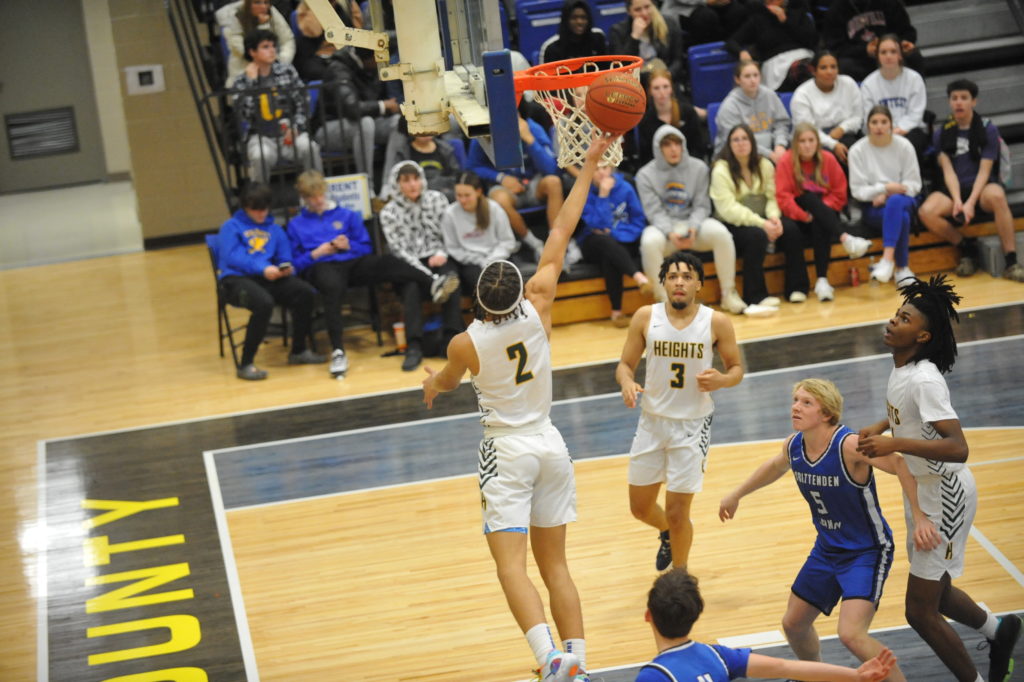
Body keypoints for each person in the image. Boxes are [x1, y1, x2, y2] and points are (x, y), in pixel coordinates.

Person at [421, 134, 617, 682]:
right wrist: (588, 165)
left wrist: (432, 385)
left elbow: (448, 381)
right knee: (557, 566)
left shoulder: (466, 342)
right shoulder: (540, 302)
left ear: (480, 300)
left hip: (506, 452)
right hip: (551, 444)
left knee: (511, 566)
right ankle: (578, 663)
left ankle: (550, 659)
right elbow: (561, 229)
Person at [857, 275, 1023, 682]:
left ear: (923, 336)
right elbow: (908, 415)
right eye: (896, 314)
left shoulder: (925, 379)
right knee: (938, 592)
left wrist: (894, 444)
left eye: (905, 319)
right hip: (923, 489)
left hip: (946, 495)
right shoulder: (904, 369)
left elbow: (958, 447)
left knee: (919, 610)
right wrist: (881, 426)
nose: (893, 321)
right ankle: (999, 631)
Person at [719, 378, 909, 682]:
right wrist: (736, 494)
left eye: (806, 402)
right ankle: (815, 676)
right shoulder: (794, 445)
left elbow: (900, 464)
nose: (796, 407)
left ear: (826, 413)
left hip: (866, 551)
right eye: (795, 400)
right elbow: (775, 466)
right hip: (827, 549)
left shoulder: (848, 445)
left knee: (851, 634)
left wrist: (922, 518)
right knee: (794, 624)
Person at [616, 251, 744, 570]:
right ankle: (667, 534)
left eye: (687, 276)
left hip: (692, 426)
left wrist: (722, 380)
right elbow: (625, 365)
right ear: (663, 283)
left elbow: (737, 369)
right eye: (672, 276)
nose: (679, 282)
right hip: (652, 422)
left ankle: (680, 578)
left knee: (677, 512)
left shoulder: (716, 321)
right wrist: (627, 382)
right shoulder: (646, 317)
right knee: (640, 508)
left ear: (698, 284)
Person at [286, 170, 459, 377]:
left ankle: (432, 282)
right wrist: (317, 253)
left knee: (389, 262)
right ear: (304, 198)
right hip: (321, 266)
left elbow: (366, 247)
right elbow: (295, 265)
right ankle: (338, 351)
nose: (318, 200)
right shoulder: (296, 224)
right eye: (312, 197)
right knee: (332, 287)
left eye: (320, 194)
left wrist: (348, 245)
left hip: (352, 262)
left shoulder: (347, 215)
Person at [635, 568, 898, 682]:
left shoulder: (654, 675)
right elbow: (787, 666)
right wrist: (855, 675)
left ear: (648, 615)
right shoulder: (716, 656)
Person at [636, 126, 761, 317]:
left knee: (721, 234)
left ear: (683, 145)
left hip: (693, 225)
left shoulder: (699, 168)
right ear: (658, 148)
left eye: (677, 143)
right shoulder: (645, 175)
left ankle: (728, 294)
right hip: (665, 229)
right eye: (667, 145)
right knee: (648, 242)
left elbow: (702, 205)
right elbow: (653, 211)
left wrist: (693, 228)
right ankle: (664, 302)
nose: (673, 149)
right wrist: (670, 232)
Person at [216, 182, 326, 380]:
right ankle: (246, 363)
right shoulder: (230, 227)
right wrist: (262, 268)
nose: (261, 214)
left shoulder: (274, 229)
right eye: (255, 210)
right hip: (235, 280)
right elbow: (232, 257)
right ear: (245, 207)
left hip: (266, 278)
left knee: (304, 293)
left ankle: (298, 350)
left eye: (264, 209)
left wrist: (284, 268)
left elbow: (284, 256)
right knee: (263, 303)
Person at [918, 79, 1023, 283]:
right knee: (926, 211)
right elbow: (948, 171)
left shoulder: (987, 129)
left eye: (964, 98)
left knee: (997, 196)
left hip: (981, 189)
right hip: (954, 190)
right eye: (954, 98)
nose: (959, 102)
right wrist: (958, 201)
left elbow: (985, 170)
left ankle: (1011, 261)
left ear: (974, 101)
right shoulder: (942, 133)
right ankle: (966, 247)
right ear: (949, 102)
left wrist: (971, 202)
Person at [711, 123, 810, 307]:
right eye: (735, 140)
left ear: (752, 142)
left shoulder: (764, 164)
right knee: (756, 236)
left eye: (745, 138)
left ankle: (797, 288)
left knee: (791, 229)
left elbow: (773, 196)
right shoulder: (721, 170)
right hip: (733, 223)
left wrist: (773, 218)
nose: (741, 143)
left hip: (764, 218)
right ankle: (756, 296)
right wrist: (762, 224)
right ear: (729, 145)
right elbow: (729, 209)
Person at [379, 161, 464, 371]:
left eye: (415, 178)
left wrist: (442, 253)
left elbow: (450, 233)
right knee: (411, 288)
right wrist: (427, 275)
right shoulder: (388, 212)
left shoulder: (437, 199)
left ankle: (451, 341)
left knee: (452, 280)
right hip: (410, 264)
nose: (412, 184)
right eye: (406, 180)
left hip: (439, 255)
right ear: (397, 184)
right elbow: (398, 251)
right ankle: (414, 346)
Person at [776, 122, 872, 301]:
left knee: (819, 217)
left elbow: (840, 193)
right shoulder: (786, 161)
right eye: (802, 141)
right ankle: (846, 239)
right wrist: (804, 215)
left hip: (824, 215)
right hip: (797, 215)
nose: (807, 145)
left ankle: (822, 281)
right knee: (809, 199)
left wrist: (821, 210)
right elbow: (783, 197)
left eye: (811, 140)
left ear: (817, 142)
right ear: (795, 143)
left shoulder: (828, 159)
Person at [466, 115, 566, 263]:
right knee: (499, 198)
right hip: (504, 187)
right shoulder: (483, 130)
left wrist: (530, 140)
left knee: (553, 182)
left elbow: (551, 169)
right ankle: (533, 243)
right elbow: (473, 166)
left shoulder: (532, 127)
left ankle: (556, 243)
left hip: (532, 183)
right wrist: (501, 178)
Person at [231, 30, 323, 184]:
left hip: (289, 132)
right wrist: (252, 84)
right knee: (260, 156)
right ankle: (260, 197)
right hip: (261, 137)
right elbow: (244, 114)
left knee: (309, 147)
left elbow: (303, 101)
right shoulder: (241, 81)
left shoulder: (287, 71)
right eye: (265, 47)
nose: (272, 50)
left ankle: (317, 192)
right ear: (252, 52)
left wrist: (296, 127)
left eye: (273, 46)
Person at [848, 105, 921, 287]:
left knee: (896, 202)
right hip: (874, 207)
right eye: (874, 122)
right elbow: (857, 191)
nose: (879, 127)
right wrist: (885, 188)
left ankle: (887, 260)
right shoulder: (857, 150)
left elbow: (914, 184)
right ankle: (902, 270)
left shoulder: (904, 146)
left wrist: (887, 195)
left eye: (883, 122)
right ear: (868, 125)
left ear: (891, 124)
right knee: (902, 218)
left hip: (904, 199)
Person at [317, 46, 401, 196]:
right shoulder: (337, 69)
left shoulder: (371, 68)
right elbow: (352, 108)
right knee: (365, 123)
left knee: (398, 122)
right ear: (370, 57)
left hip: (366, 123)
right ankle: (367, 188)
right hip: (329, 128)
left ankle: (388, 186)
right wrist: (383, 105)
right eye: (378, 57)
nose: (382, 61)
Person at [578, 164, 650, 326]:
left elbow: (639, 221)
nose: (601, 172)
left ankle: (616, 311)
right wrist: (603, 195)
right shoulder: (584, 191)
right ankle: (638, 277)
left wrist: (615, 234)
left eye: (604, 167)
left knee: (610, 255)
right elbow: (596, 224)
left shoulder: (625, 188)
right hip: (593, 243)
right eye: (596, 169)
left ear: (611, 168)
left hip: (623, 239)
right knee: (605, 243)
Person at [440, 171, 517, 293]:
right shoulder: (450, 214)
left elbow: (507, 242)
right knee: (482, 285)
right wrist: (479, 260)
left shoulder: (494, 209)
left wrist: (491, 260)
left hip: (498, 257)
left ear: (478, 192)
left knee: (506, 283)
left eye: (467, 195)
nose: (463, 200)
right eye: (459, 195)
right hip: (471, 263)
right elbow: (453, 248)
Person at [860, 35, 930, 162]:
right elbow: (868, 117)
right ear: (877, 56)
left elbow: (916, 114)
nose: (888, 56)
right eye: (883, 52)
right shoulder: (868, 84)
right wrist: (885, 131)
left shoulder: (914, 79)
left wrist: (897, 131)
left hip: (910, 130)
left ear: (900, 55)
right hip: (879, 131)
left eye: (893, 51)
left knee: (910, 144)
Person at [725, 0, 818, 92]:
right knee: (804, 70)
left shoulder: (799, 13)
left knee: (815, 68)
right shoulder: (758, 19)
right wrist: (741, 52)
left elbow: (811, 41)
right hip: (777, 65)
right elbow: (731, 42)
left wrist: (785, 21)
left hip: (804, 56)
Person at [627, 66, 709, 170]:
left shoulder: (688, 112)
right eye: (656, 88)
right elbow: (647, 157)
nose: (662, 93)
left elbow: (698, 147)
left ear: (671, 89)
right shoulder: (646, 121)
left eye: (665, 87)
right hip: (660, 171)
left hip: (689, 167)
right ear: (650, 91)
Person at [790, 50, 863, 166]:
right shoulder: (802, 95)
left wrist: (842, 129)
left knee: (856, 152)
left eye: (833, 67)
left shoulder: (848, 84)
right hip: (813, 139)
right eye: (823, 68)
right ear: (813, 70)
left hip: (844, 133)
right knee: (829, 157)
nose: (830, 72)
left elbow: (858, 116)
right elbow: (808, 130)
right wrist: (833, 145)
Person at [822, 0, 924, 82]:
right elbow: (835, 48)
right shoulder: (836, 9)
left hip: (892, 53)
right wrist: (865, 50)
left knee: (913, 55)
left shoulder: (890, 3)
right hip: (860, 60)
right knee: (843, 66)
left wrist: (902, 43)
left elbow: (907, 31)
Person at [713, 60, 791, 163]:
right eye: (747, 76)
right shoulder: (729, 106)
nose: (753, 80)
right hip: (738, 156)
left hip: (772, 150)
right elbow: (737, 142)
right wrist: (769, 155)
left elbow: (781, 123)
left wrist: (780, 145)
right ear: (737, 79)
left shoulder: (770, 95)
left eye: (756, 75)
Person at [217, 0, 295, 86]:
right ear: (248, 5)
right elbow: (247, 49)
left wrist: (283, 60)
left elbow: (287, 39)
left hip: (274, 66)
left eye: (266, 2)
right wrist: (261, 24)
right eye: (257, 2)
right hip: (243, 68)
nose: (263, 6)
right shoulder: (234, 16)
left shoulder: (272, 12)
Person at [609, 0, 688, 86]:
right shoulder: (618, 31)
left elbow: (677, 60)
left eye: (647, 7)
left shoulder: (669, 24)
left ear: (654, 6)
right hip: (636, 83)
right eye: (637, 10)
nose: (644, 13)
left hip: (665, 80)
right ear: (629, 12)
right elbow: (621, 67)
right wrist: (634, 37)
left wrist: (666, 76)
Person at [383, 118, 462, 202]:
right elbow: (399, 181)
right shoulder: (403, 152)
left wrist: (438, 184)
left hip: (444, 196)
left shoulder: (446, 150)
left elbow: (456, 177)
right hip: (413, 196)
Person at [539, 0, 609, 64]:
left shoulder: (598, 37)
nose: (579, 22)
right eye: (574, 18)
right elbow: (543, 73)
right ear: (566, 20)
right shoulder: (551, 47)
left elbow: (608, 67)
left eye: (583, 17)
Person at [660, 0, 751, 47]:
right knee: (707, 17)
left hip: (715, 5)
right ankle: (707, 53)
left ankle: (729, 48)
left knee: (737, 11)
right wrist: (706, 1)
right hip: (683, 8)